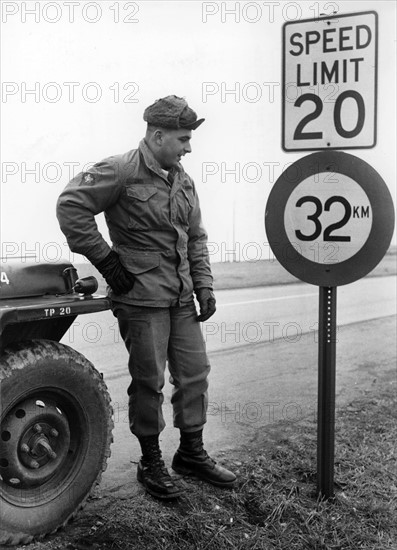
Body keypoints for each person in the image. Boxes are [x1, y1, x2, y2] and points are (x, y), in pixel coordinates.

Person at [56, 95, 236, 500]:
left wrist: (204, 284)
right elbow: (71, 206)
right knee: (148, 383)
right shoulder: (119, 170)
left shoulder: (183, 179)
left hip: (179, 298)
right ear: (158, 136)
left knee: (194, 374)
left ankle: (190, 453)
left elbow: (196, 238)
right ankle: (151, 461)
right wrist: (106, 261)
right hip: (140, 297)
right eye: (183, 139)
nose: (189, 147)